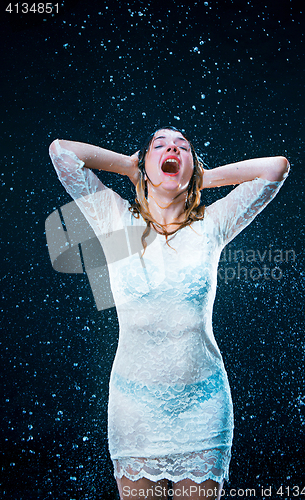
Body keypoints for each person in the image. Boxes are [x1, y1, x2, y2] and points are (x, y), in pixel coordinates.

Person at [49, 127, 289, 500]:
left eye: (183, 147)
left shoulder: (212, 224)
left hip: (203, 407)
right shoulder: (114, 218)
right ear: (146, 164)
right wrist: (129, 166)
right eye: (159, 146)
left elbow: (275, 168)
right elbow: (62, 151)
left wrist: (206, 178)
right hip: (135, 408)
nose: (172, 148)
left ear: (192, 165)